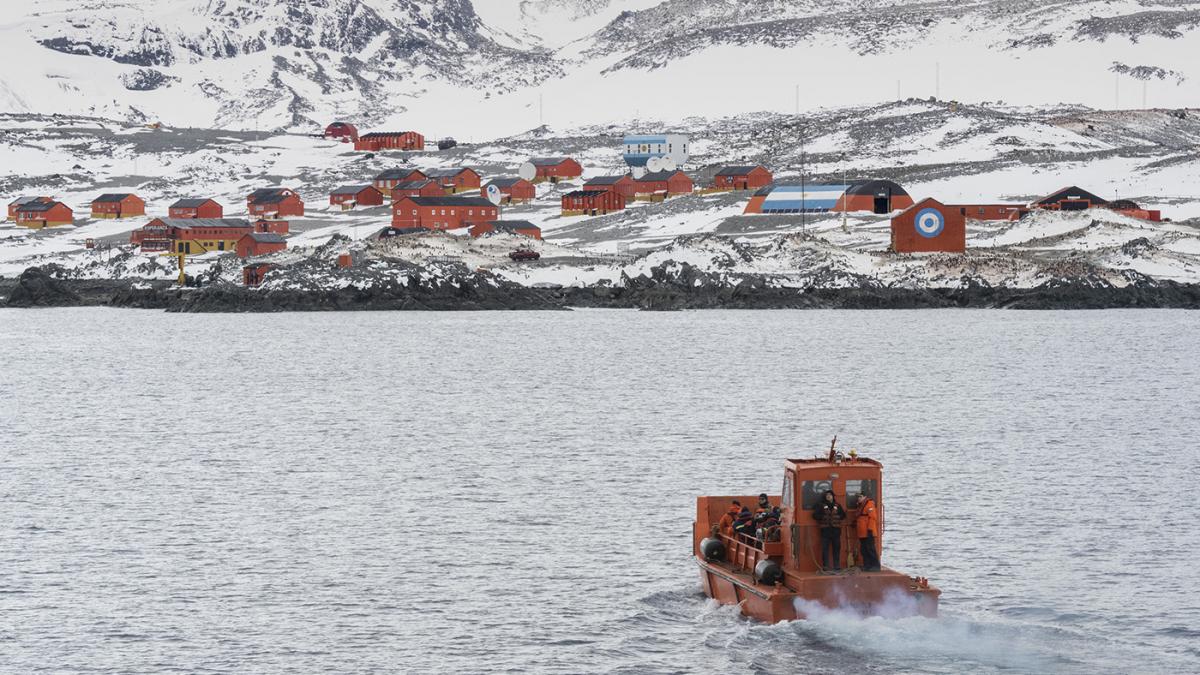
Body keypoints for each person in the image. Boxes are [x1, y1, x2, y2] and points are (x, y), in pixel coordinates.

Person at [812, 490, 846, 571]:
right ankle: (825, 566)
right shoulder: (820, 506)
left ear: (833, 496)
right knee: (825, 549)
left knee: (836, 548)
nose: (828, 496)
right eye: (827, 495)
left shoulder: (837, 505)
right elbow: (814, 515)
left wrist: (838, 517)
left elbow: (843, 515)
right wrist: (822, 517)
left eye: (830, 495)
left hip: (836, 531)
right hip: (825, 531)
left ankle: (837, 565)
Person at [856, 493, 881, 572]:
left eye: (860, 497)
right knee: (864, 550)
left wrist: (870, 529)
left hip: (868, 532)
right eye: (858, 497)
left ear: (865, 497)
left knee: (870, 549)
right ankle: (867, 565)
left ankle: (875, 566)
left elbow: (872, 518)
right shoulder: (860, 505)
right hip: (862, 532)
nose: (858, 498)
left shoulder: (869, 505)